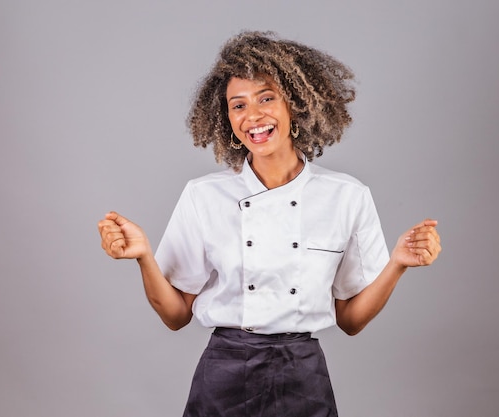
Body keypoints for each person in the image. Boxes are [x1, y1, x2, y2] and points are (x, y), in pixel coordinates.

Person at [98, 31, 441, 417]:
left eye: (266, 98)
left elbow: (351, 320)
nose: (253, 116)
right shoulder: (203, 196)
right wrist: (143, 256)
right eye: (238, 105)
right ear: (226, 118)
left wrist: (397, 264)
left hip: (303, 374)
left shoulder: (347, 196)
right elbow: (176, 315)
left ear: (294, 103)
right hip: (224, 373)